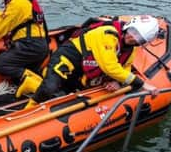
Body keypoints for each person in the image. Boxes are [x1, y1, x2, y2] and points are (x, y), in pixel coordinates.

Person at [27, 15, 161, 108]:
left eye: (139, 38)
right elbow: (110, 67)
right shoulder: (108, 34)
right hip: (70, 57)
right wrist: (142, 84)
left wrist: (117, 82)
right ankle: (29, 106)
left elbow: (125, 67)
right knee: (49, 87)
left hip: (83, 68)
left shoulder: (130, 50)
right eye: (133, 32)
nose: (133, 37)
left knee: (70, 94)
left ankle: (32, 83)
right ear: (129, 26)